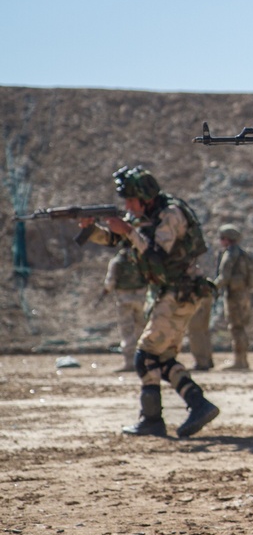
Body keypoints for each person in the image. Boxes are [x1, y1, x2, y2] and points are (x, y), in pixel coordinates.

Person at [81, 165, 221, 438]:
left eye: (131, 200)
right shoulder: (146, 216)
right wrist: (92, 230)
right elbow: (117, 240)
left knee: (144, 356)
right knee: (163, 357)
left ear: (145, 197)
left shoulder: (170, 215)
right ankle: (198, 403)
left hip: (179, 293)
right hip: (169, 294)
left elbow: (158, 257)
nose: (128, 206)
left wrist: (128, 231)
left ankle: (153, 419)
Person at [213, 224, 253, 370]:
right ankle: (243, 359)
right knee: (241, 327)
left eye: (222, 238)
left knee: (235, 327)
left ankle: (239, 361)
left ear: (227, 239)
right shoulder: (243, 254)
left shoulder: (230, 254)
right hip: (244, 294)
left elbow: (224, 277)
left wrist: (211, 288)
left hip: (233, 296)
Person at [102, 245, 148, 373]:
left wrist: (106, 291)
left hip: (124, 299)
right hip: (142, 297)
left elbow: (110, 282)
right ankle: (144, 361)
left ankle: (130, 363)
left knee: (127, 331)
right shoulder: (142, 259)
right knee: (142, 330)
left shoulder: (117, 261)